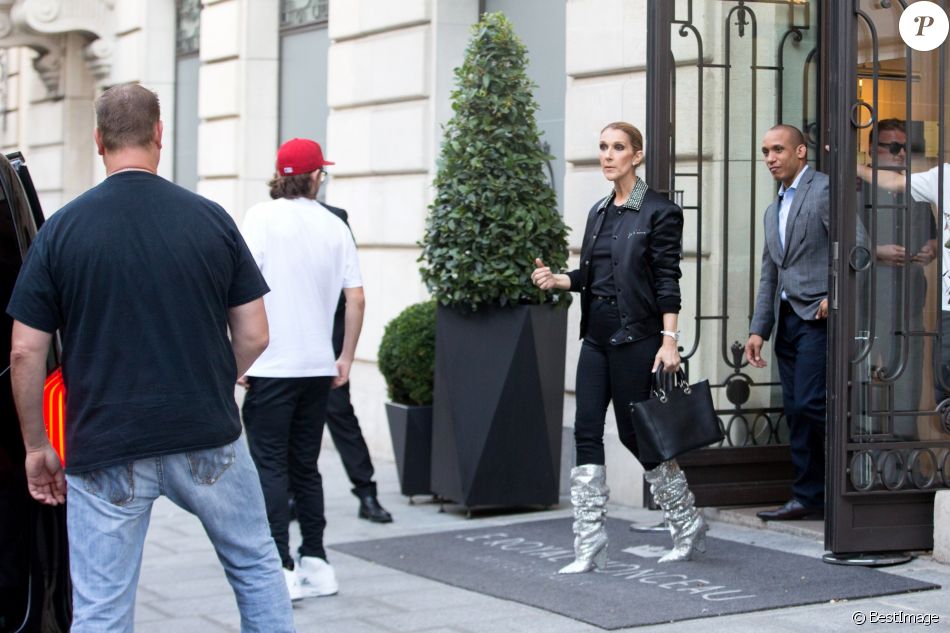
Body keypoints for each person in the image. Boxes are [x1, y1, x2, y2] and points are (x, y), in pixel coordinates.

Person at [6, 83, 294, 632]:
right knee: (257, 567)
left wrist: (37, 444)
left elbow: (25, 350)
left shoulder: (61, 232)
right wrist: (214, 382)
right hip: (207, 434)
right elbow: (255, 333)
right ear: (160, 135)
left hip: (105, 441)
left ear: (98, 142)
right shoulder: (210, 219)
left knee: (102, 609)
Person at [531, 121, 705, 569]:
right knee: (586, 429)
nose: (608, 155)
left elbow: (668, 280)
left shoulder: (659, 212)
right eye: (603, 147)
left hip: (637, 337)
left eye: (618, 148)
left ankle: (685, 522)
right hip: (596, 337)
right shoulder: (598, 212)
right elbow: (591, 276)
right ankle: (589, 544)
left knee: (635, 434)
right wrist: (559, 280)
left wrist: (669, 340)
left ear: (637, 155)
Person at [240, 138, 365, 601]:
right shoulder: (334, 225)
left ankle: (281, 565)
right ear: (316, 177)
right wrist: (346, 357)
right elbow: (356, 297)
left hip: (271, 365)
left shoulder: (259, 217)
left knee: (270, 466)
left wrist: (240, 358)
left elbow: (241, 290)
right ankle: (317, 561)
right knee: (306, 467)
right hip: (317, 366)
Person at [745, 124, 829, 522]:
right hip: (787, 321)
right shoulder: (772, 209)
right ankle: (808, 495)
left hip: (819, 317)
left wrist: (837, 296)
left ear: (801, 152)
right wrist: (758, 330)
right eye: (765, 152)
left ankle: (851, 482)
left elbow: (856, 248)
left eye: (778, 149)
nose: (770, 158)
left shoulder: (825, 190)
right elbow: (770, 274)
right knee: (795, 409)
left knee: (814, 403)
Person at [858, 119, 936, 440]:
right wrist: (876, 251)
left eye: (905, 147)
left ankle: (905, 451)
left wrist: (931, 248)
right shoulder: (858, 186)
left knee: (908, 376)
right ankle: (862, 447)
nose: (902, 153)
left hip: (909, 296)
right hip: (866, 295)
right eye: (893, 147)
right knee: (864, 372)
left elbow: (932, 233)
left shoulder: (915, 185)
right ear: (872, 149)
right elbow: (839, 239)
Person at [324, 203, 393, 524]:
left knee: (339, 413)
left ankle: (366, 492)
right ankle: (289, 496)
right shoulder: (268, 218)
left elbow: (351, 290)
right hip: (287, 345)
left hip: (329, 338)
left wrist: (345, 355)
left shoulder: (334, 218)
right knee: (288, 423)